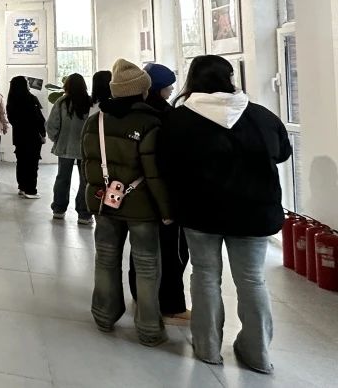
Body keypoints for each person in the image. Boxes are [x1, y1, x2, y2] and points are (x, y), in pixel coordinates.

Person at [160, 56, 291, 374]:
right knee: (252, 280)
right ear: (230, 79)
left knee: (205, 275)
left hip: (200, 211)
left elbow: (165, 164)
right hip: (254, 211)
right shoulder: (260, 116)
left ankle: (207, 347)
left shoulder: (180, 119)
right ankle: (257, 352)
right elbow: (281, 153)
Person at [82, 59, 172, 347]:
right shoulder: (150, 123)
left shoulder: (95, 121)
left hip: (105, 203)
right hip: (142, 206)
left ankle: (103, 314)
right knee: (146, 265)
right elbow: (154, 173)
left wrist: (94, 197)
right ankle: (148, 327)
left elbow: (88, 165)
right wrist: (167, 210)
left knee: (105, 259)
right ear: (143, 91)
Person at [128, 63, 191, 323]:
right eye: (169, 86)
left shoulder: (131, 114)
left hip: (136, 194)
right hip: (165, 194)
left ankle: (140, 294)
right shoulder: (168, 116)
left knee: (141, 248)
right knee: (172, 251)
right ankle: (170, 305)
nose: (172, 90)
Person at [47, 73, 93, 224]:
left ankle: (58, 209)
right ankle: (84, 214)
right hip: (86, 148)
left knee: (62, 178)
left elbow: (52, 124)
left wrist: (56, 139)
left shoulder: (61, 102)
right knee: (85, 180)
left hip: (65, 146)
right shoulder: (90, 102)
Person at [6, 75, 46, 199]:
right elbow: (38, 119)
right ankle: (31, 190)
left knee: (22, 162)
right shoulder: (31, 99)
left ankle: (22, 187)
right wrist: (43, 133)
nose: (29, 84)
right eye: (27, 82)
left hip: (19, 136)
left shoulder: (11, 101)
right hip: (32, 136)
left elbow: (12, 120)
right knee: (32, 164)